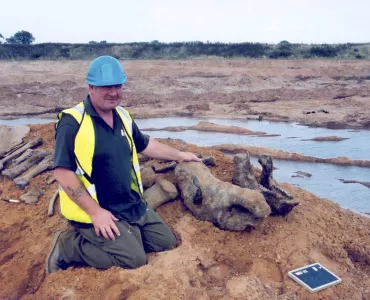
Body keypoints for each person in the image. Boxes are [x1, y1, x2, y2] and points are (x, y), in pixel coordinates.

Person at [45, 56, 201, 274]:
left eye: (117, 86)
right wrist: (96, 213)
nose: (113, 92)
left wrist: (180, 155)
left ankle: (127, 234)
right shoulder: (73, 122)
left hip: (129, 203)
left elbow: (145, 145)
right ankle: (68, 246)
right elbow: (62, 172)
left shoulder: (123, 115)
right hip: (97, 210)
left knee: (165, 242)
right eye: (106, 87)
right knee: (135, 259)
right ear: (91, 86)